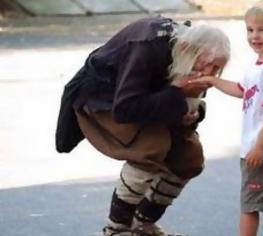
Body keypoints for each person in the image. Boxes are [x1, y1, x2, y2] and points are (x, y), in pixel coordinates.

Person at [55, 16, 230, 236]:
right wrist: (176, 94)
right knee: (152, 146)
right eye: (208, 65)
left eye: (217, 69)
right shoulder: (147, 43)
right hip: (104, 99)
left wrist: (191, 111)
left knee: (189, 158)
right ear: (187, 49)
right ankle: (116, 229)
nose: (210, 74)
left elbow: (186, 102)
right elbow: (126, 108)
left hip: (148, 100)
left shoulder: (193, 55)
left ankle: (143, 224)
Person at [191, 1, 263, 236]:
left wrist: (259, 147)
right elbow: (242, 90)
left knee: (249, 207)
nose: (255, 36)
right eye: (250, 30)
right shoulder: (261, 65)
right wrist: (213, 81)